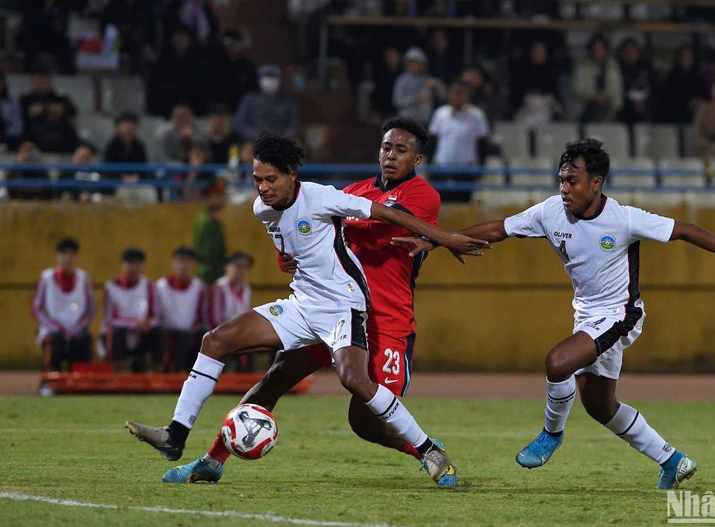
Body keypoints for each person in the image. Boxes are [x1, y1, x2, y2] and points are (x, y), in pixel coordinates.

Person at [393, 138, 715, 489]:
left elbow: (687, 230)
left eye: (573, 181)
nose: (564, 188)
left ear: (596, 183)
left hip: (621, 315)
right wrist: (436, 240)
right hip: (588, 316)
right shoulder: (550, 212)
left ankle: (551, 435)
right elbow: (499, 229)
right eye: (561, 179)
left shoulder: (624, 219)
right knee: (600, 406)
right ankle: (672, 460)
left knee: (558, 362)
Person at [125, 130, 488, 486]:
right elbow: (296, 234)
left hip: (380, 315)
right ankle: (203, 454)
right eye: (385, 147)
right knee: (270, 374)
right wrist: (290, 255)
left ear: (417, 159)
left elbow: (382, 229)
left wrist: (442, 239)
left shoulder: (422, 195)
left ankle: (425, 449)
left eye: (401, 149)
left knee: (365, 421)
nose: (390, 155)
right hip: (310, 305)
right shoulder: (317, 197)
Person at [32, 238, 96, 377]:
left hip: (76, 330)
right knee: (56, 340)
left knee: (84, 339)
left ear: (77, 257)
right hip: (53, 331)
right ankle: (50, 378)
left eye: (72, 254)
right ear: (57, 256)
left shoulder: (83, 278)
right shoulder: (47, 278)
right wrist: (56, 327)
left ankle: (79, 379)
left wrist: (76, 328)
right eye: (64, 254)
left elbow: (90, 310)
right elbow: (37, 309)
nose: (68, 258)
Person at [428, 79, 489, 202]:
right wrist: (429, 168)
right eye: (455, 92)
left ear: (468, 95)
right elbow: (432, 143)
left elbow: (483, 145)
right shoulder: (440, 114)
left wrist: (480, 171)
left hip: (465, 171)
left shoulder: (477, 116)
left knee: (463, 207)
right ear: (450, 94)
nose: (457, 96)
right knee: (440, 208)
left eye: (461, 93)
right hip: (441, 170)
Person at [103, 248, 164, 373]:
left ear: (142, 266)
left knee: (159, 332)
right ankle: (115, 372)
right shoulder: (111, 287)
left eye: (137, 264)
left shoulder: (149, 286)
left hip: (142, 334)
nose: (133, 267)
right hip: (120, 334)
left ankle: (159, 372)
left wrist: (146, 324)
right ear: (122, 265)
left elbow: (156, 316)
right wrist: (135, 322)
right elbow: (110, 319)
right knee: (117, 332)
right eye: (129, 263)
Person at [155, 246, 208, 372]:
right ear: (173, 263)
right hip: (166, 331)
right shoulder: (161, 286)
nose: (183, 266)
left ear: (194, 265)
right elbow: (157, 314)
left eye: (188, 262)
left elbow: (201, 315)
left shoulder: (199, 287)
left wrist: (189, 329)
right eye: (180, 261)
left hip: (191, 332)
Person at [208, 252, 254, 372]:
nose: (241, 271)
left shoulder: (246, 289)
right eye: (238, 266)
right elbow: (214, 318)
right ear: (227, 267)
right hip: (221, 331)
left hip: (240, 332)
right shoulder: (219, 287)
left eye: (245, 267)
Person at [233, 65, 299, 141]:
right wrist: (256, 136)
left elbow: (293, 124)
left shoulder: (287, 102)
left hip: (280, 144)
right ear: (260, 79)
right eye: (267, 77)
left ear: (279, 80)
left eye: (273, 77)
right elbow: (240, 123)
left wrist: (282, 138)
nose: (269, 81)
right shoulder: (249, 100)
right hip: (253, 143)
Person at [193, 177, 227, 284]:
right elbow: (210, 255)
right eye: (218, 196)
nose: (223, 199)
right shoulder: (209, 222)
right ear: (208, 198)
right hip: (209, 277)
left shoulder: (204, 218)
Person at [103, 112, 149, 189]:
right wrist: (122, 177)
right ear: (118, 127)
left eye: (132, 125)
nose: (129, 129)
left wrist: (137, 176)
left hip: (137, 183)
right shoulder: (112, 145)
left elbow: (144, 167)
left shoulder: (140, 146)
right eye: (126, 125)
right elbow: (107, 168)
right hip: (116, 184)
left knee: (149, 193)